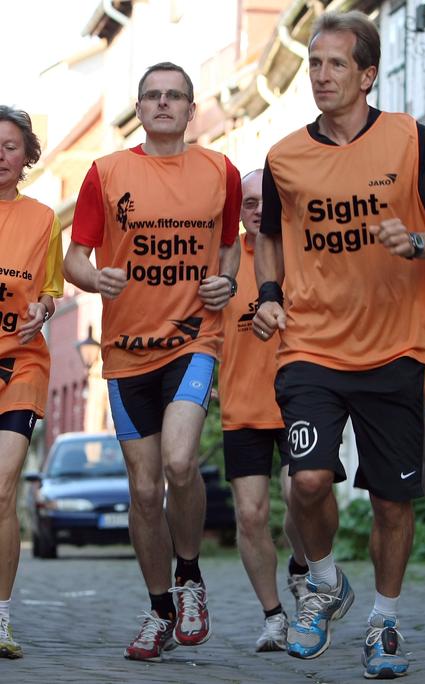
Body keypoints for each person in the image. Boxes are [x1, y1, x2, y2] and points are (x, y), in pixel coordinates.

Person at [252, 10, 425, 679]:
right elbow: (269, 233)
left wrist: (414, 242)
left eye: (335, 64)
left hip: (395, 347)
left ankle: (382, 622)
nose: (319, 75)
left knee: (389, 501)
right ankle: (323, 584)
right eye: (313, 63)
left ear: (367, 74)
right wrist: (267, 292)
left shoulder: (409, 140)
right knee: (309, 480)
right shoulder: (284, 155)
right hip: (311, 346)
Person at [63, 61, 241, 662]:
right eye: (153, 96)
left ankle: (190, 578)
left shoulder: (222, 171)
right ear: (139, 109)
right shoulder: (106, 172)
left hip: (192, 339)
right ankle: (160, 608)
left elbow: (231, 242)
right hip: (125, 350)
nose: (164, 104)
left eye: (175, 96)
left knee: (180, 460)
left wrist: (227, 280)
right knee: (143, 490)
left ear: (192, 110)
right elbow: (74, 259)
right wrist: (96, 278)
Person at [218, 168, 308, 652]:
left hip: (298, 401)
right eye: (247, 203)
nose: (255, 211)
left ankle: (301, 567)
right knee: (250, 516)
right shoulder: (224, 259)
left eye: (263, 202)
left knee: (302, 498)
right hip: (241, 409)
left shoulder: (298, 252)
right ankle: (274, 618)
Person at [0, 106, 63, 659]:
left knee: (2, 488)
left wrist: (43, 307)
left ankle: (0, 619)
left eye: (11, 146)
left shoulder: (43, 218)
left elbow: (49, 288)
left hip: (20, 363)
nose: (0, 154)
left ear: (26, 158)